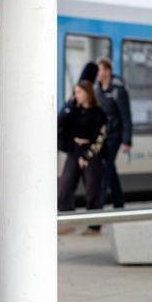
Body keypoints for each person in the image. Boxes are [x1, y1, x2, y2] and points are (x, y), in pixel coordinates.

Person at [57, 80, 108, 233]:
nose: (76, 95)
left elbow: (100, 138)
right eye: (75, 92)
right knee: (64, 188)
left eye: (79, 92)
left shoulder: (99, 114)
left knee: (92, 191)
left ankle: (94, 226)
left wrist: (86, 156)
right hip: (74, 153)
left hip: (91, 156)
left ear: (87, 93)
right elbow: (60, 123)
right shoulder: (74, 111)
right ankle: (67, 222)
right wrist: (69, 105)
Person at [95, 56, 132, 217]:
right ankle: (119, 205)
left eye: (100, 70)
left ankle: (97, 215)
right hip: (101, 137)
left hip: (114, 136)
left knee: (104, 171)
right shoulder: (97, 90)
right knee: (110, 170)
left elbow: (126, 117)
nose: (98, 73)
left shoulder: (118, 90)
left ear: (107, 71)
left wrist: (126, 141)